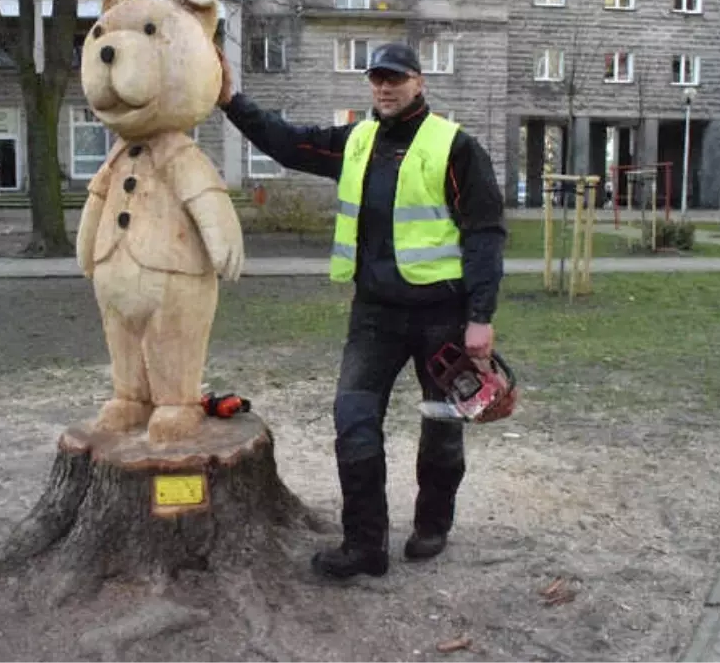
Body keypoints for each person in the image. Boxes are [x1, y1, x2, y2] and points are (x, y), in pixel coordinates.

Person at [216, 42, 506, 579]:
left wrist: (480, 317)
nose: (384, 87)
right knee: (353, 419)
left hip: (443, 314)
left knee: (443, 424)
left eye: (395, 78)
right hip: (374, 314)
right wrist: (232, 100)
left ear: (419, 82)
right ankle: (365, 544)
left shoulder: (455, 146)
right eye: (376, 78)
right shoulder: (357, 141)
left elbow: (485, 234)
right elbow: (290, 142)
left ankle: (432, 524)